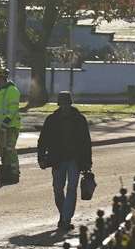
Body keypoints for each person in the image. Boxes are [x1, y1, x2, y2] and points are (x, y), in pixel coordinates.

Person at [36, 91, 93, 232]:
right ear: (59, 104)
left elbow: (86, 142)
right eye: (63, 104)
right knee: (57, 189)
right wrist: (41, 158)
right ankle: (63, 214)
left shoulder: (79, 119)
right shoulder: (51, 120)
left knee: (72, 189)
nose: (65, 106)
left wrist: (87, 162)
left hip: (75, 159)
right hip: (57, 160)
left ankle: (66, 219)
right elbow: (42, 140)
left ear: (70, 103)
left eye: (67, 103)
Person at [0, 68, 22, 184]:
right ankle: (7, 171)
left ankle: (13, 172)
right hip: (1, 127)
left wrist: (5, 123)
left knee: (9, 149)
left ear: (1, 78)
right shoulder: (1, 92)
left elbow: (12, 109)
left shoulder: (12, 90)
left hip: (10, 126)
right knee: (3, 151)